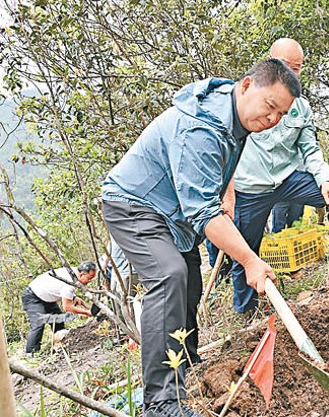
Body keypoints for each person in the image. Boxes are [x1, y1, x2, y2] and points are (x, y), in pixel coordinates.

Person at [101, 58, 300, 417]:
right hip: (133, 204)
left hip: (171, 214)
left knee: (189, 284)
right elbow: (202, 211)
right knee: (168, 276)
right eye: (271, 107)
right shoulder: (200, 127)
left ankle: (186, 365)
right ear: (246, 86)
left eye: (282, 114)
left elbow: (216, 173)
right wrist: (251, 260)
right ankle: (161, 404)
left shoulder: (234, 114)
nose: (273, 120)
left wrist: (227, 190)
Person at [208, 38, 329, 314]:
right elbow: (225, 147)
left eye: (297, 68)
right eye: (287, 66)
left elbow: (309, 147)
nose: (292, 73)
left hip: (288, 181)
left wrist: (324, 180)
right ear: (271, 64)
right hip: (250, 189)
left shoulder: (301, 107)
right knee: (246, 252)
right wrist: (226, 192)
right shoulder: (250, 98)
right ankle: (246, 311)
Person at [21, 261, 96, 355]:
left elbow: (59, 285)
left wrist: (73, 297)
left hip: (46, 296)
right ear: (81, 274)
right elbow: (67, 307)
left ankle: (59, 345)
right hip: (33, 296)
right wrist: (87, 312)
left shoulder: (73, 272)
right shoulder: (70, 282)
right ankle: (31, 353)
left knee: (58, 321)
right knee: (38, 324)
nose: (89, 281)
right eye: (89, 278)